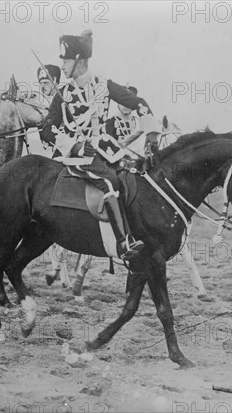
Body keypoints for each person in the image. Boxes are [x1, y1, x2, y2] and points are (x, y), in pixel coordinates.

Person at [40, 30, 154, 261]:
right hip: (78, 156)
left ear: (80, 61)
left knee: (136, 174)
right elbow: (47, 128)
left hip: (107, 149)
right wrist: (74, 147)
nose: (62, 65)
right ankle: (123, 244)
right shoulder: (63, 93)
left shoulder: (104, 85)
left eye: (66, 60)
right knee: (109, 181)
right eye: (62, 60)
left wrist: (151, 133)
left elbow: (139, 104)